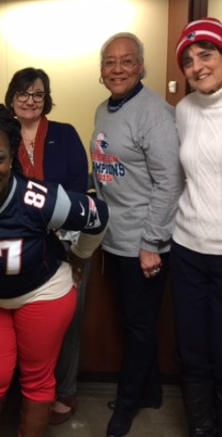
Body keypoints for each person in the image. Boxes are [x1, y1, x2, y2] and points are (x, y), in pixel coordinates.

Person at [0, 103, 109, 437]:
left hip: (43, 293)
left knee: (36, 380)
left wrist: (80, 256)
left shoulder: (38, 199)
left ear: (12, 155)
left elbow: (99, 216)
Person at [90, 32, 183, 437]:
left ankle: (126, 405)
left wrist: (150, 244)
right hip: (114, 238)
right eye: (110, 62)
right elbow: (108, 169)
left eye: (127, 61)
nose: (118, 69)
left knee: (140, 327)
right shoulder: (102, 110)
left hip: (143, 243)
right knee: (133, 322)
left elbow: (169, 183)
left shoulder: (155, 113)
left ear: (141, 66)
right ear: (101, 70)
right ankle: (150, 391)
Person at [4, 67, 89, 425]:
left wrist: (70, 245)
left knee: (67, 321)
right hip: (14, 247)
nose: (30, 101)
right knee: (17, 326)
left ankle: (64, 390)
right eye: (23, 94)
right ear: (11, 98)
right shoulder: (0, 135)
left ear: (46, 99)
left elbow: (78, 194)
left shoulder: (65, 135)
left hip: (63, 244)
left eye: (38, 94)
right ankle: (23, 394)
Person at [172, 17, 222, 437]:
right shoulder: (184, 111)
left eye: (205, 54)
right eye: (188, 60)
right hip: (187, 248)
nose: (197, 66)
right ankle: (201, 428)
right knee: (192, 351)